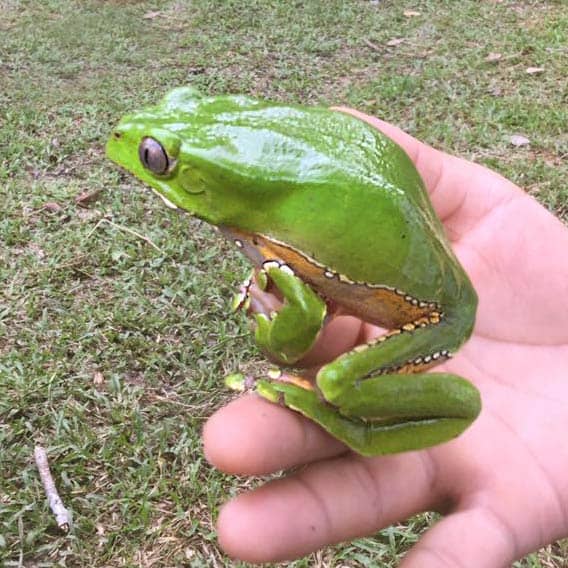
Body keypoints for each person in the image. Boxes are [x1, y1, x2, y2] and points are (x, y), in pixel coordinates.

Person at [203, 108, 568, 566]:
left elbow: (294, 336)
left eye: (156, 159)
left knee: (337, 382)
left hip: (431, 321)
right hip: (428, 285)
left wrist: (268, 323)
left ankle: (351, 424)